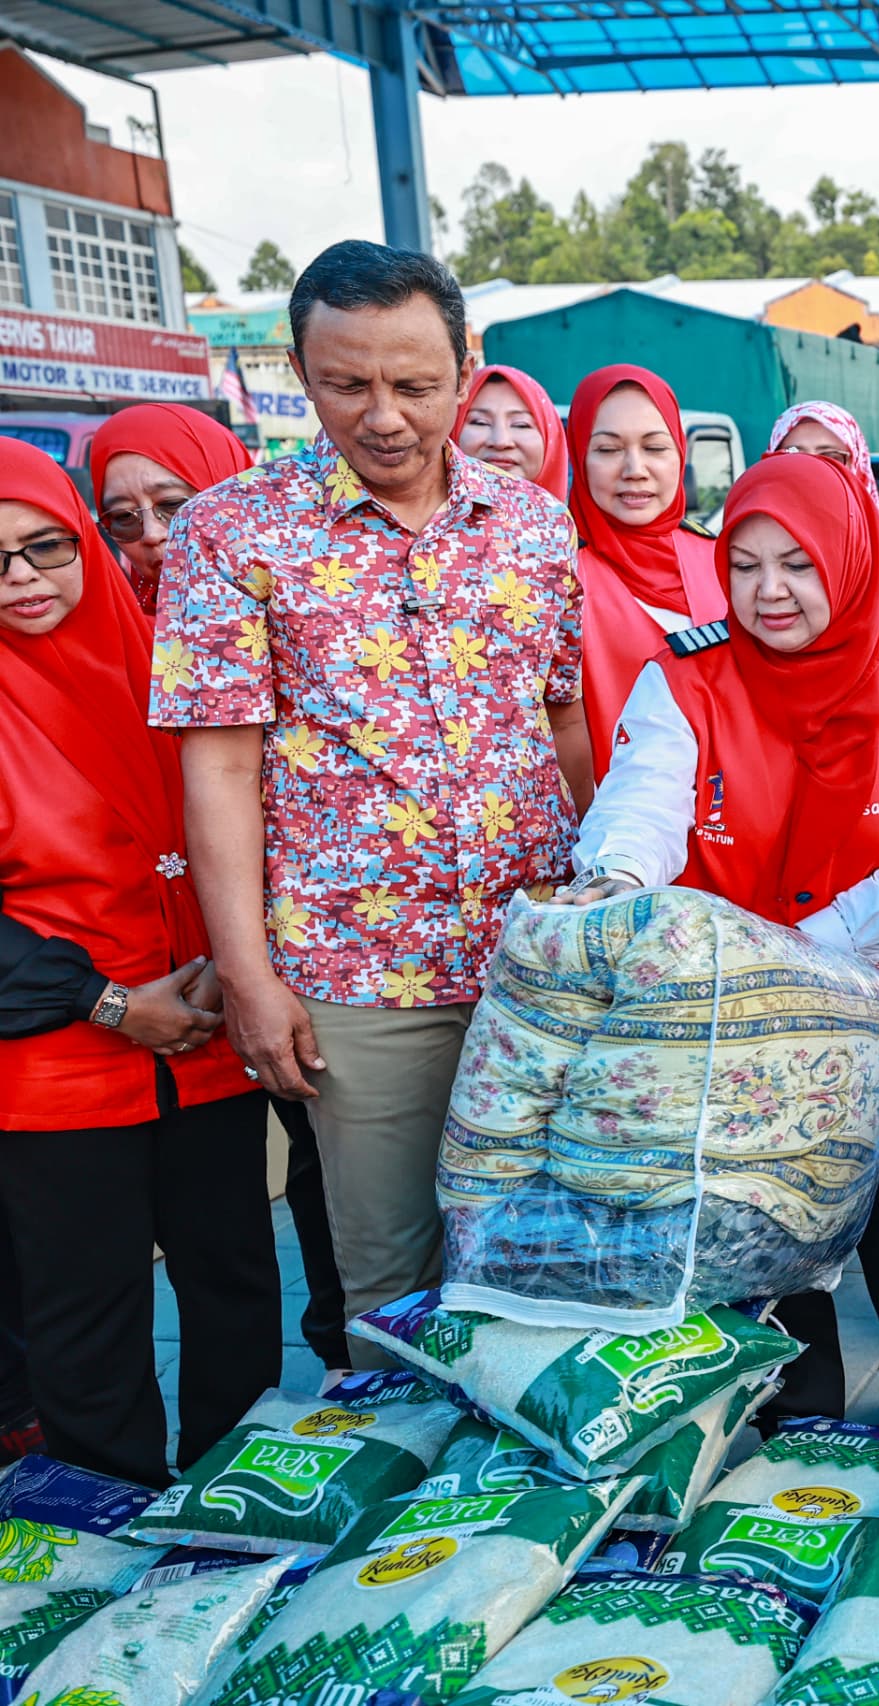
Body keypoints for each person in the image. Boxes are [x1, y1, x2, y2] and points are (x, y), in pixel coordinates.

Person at [151, 240, 589, 1364]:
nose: (384, 415)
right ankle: (412, 1531)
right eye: (347, 383)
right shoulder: (229, 533)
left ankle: (534, 1514)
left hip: (534, 961)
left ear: (468, 365)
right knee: (393, 1276)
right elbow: (221, 769)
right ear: (301, 372)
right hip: (356, 974)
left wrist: (604, 921)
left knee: (550, 1249)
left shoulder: (533, 526)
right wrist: (247, 974)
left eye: (415, 383)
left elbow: (563, 723)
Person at [566, 453, 879, 1428]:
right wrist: (616, 876)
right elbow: (647, 800)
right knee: (768, 1236)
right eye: (745, 564)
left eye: (797, 562)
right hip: (742, 1037)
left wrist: (798, 948)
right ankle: (798, 1438)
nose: (769, 590)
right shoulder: (686, 677)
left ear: (848, 562)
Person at [0, 437, 281, 1483]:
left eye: (46, 546)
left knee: (238, 1288)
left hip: (206, 1040)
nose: (24, 578)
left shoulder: (173, 657)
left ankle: (235, 1511)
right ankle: (102, 1536)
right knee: (85, 1323)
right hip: (59, 1075)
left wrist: (225, 960)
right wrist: (112, 1002)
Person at [91, 401, 350, 1370]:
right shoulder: (87, 637)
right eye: (124, 519)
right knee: (215, 1229)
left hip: (298, 955)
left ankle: (351, 1373)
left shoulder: (299, 605)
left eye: (178, 502)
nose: (160, 538)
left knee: (332, 1186)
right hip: (164, 990)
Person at [569, 365, 724, 773]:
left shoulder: (721, 560)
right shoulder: (557, 573)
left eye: (655, 447)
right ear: (578, 457)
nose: (635, 468)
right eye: (607, 449)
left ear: (681, 457)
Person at [87, 403, 252, 615]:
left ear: (234, 498)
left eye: (173, 505)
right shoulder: (128, 636)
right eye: (124, 517)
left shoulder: (300, 613)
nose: (151, 535)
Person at [456, 364, 570, 500]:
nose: (500, 442)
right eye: (480, 422)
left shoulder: (563, 520)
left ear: (549, 440)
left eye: (521, 425)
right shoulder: (426, 520)